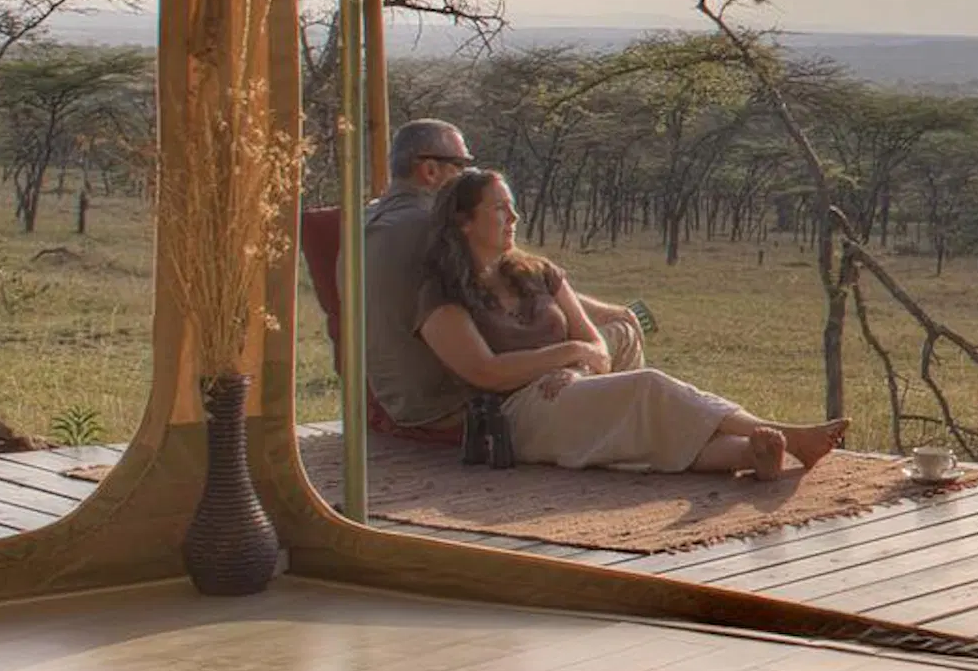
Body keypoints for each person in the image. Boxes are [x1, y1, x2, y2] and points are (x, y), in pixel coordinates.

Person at [397, 167, 845, 478]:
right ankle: (786, 436)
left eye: (512, 207)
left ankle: (751, 453)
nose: (513, 218)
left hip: (568, 386)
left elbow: (597, 346)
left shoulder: (538, 272)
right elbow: (486, 372)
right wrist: (569, 354)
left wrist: (574, 366)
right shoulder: (442, 295)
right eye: (499, 209)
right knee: (647, 387)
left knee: (642, 423)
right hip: (515, 415)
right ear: (464, 221)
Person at [362, 119, 642, 429]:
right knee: (622, 333)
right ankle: (620, 428)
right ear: (429, 170)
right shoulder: (441, 226)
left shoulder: (365, 221)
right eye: (462, 165)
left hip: (392, 396)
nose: (469, 174)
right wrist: (593, 332)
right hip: (463, 396)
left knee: (603, 348)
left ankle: (616, 423)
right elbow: (514, 280)